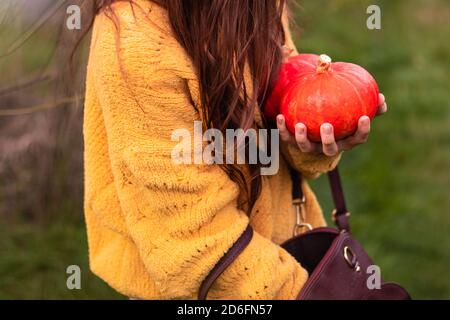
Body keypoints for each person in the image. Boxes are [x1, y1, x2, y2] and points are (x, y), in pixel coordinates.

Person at [83, 0, 387, 299]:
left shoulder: (249, 7)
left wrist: (312, 140)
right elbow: (197, 244)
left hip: (287, 256)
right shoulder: (137, 44)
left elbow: (280, 128)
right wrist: (313, 293)